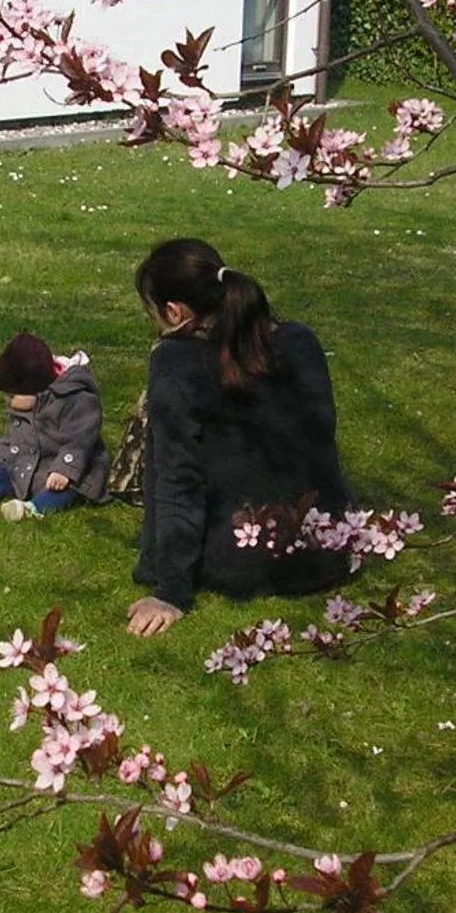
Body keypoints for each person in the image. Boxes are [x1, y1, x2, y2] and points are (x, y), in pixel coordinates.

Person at [127, 238, 352, 636]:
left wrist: (171, 591)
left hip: (241, 555)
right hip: (323, 547)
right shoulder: (298, 340)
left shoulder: (177, 364)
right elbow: (320, 436)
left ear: (174, 311)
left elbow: (179, 478)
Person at [0, 331, 110, 521]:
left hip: (68, 469)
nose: (8, 402)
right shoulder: (27, 405)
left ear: (37, 390)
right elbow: (12, 440)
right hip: (31, 464)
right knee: (5, 471)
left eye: (12, 396)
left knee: (66, 489)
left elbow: (80, 440)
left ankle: (32, 509)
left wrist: (65, 469)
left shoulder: (76, 398)